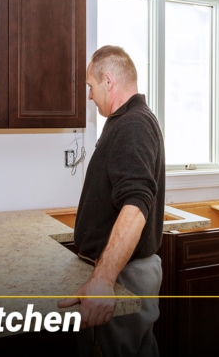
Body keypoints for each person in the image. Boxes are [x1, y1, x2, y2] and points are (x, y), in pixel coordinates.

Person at [58, 45, 166, 357]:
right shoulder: (126, 120)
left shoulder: (133, 125)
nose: (89, 96)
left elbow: (135, 206)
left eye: (90, 86)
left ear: (108, 81)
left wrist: (103, 280)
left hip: (125, 274)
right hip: (125, 270)